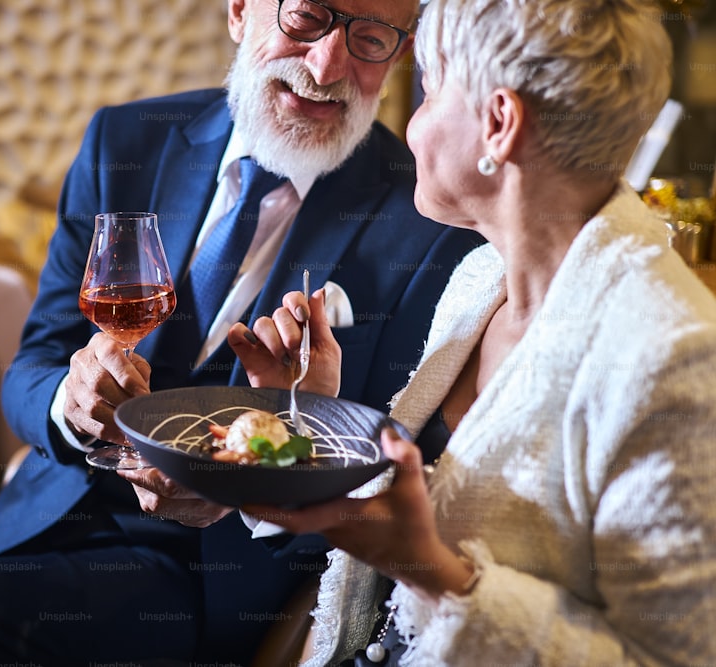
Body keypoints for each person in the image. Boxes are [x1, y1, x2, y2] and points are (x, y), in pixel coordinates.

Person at [0, 0, 483, 665]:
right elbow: (33, 362)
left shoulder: (427, 228)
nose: (329, 64)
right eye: (307, 18)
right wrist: (66, 406)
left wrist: (252, 491)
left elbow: (383, 479)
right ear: (240, 11)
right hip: (47, 514)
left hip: (203, 577)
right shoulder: (126, 141)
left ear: (399, 55)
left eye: (371, 39)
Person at [233, 0, 716, 664]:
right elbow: (398, 527)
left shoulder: (674, 356)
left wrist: (435, 573)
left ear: (498, 125)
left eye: (429, 91)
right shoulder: (479, 279)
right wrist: (313, 417)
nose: (411, 127)